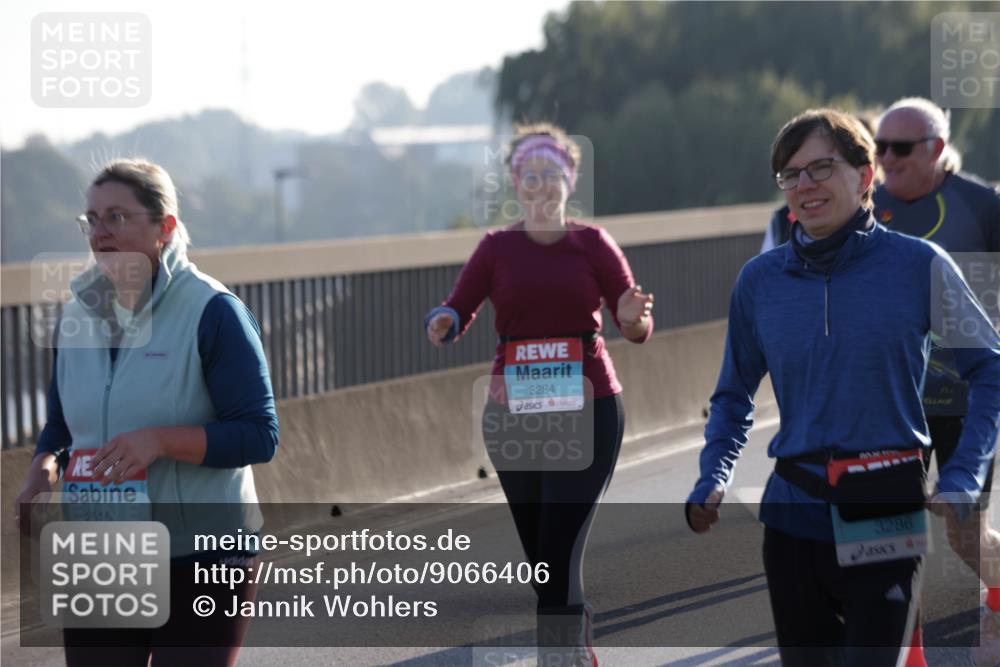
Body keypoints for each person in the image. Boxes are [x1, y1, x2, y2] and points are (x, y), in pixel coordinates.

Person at [686, 108, 1000, 666]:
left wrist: (964, 473)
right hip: (791, 513)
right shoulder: (759, 281)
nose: (805, 186)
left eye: (821, 168)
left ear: (865, 176)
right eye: (791, 175)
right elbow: (734, 395)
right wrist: (714, 474)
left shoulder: (918, 264)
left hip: (884, 505)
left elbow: (990, 369)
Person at [13, 158, 279, 667]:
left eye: (116, 216)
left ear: (165, 227)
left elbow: (259, 435)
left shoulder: (213, 310)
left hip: (203, 554)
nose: (99, 232)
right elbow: (62, 424)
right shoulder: (74, 314)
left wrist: (160, 440)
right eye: (90, 219)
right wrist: (42, 469)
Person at [425, 123, 654, 666]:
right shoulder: (496, 248)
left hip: (588, 406)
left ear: (569, 181)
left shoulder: (592, 243)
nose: (542, 184)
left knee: (559, 547)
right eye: (531, 174)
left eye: (553, 173)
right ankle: (574, 631)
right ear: (516, 183)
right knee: (542, 559)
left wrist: (632, 319)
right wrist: (443, 320)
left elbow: (634, 318)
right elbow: (459, 306)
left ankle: (561, 656)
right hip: (513, 416)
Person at [873, 96, 1000, 667]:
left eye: (900, 148)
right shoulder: (865, 209)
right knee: (889, 539)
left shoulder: (982, 205)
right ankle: (914, 654)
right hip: (895, 404)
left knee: (961, 536)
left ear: (937, 149)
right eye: (878, 148)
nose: (885, 159)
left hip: (968, 399)